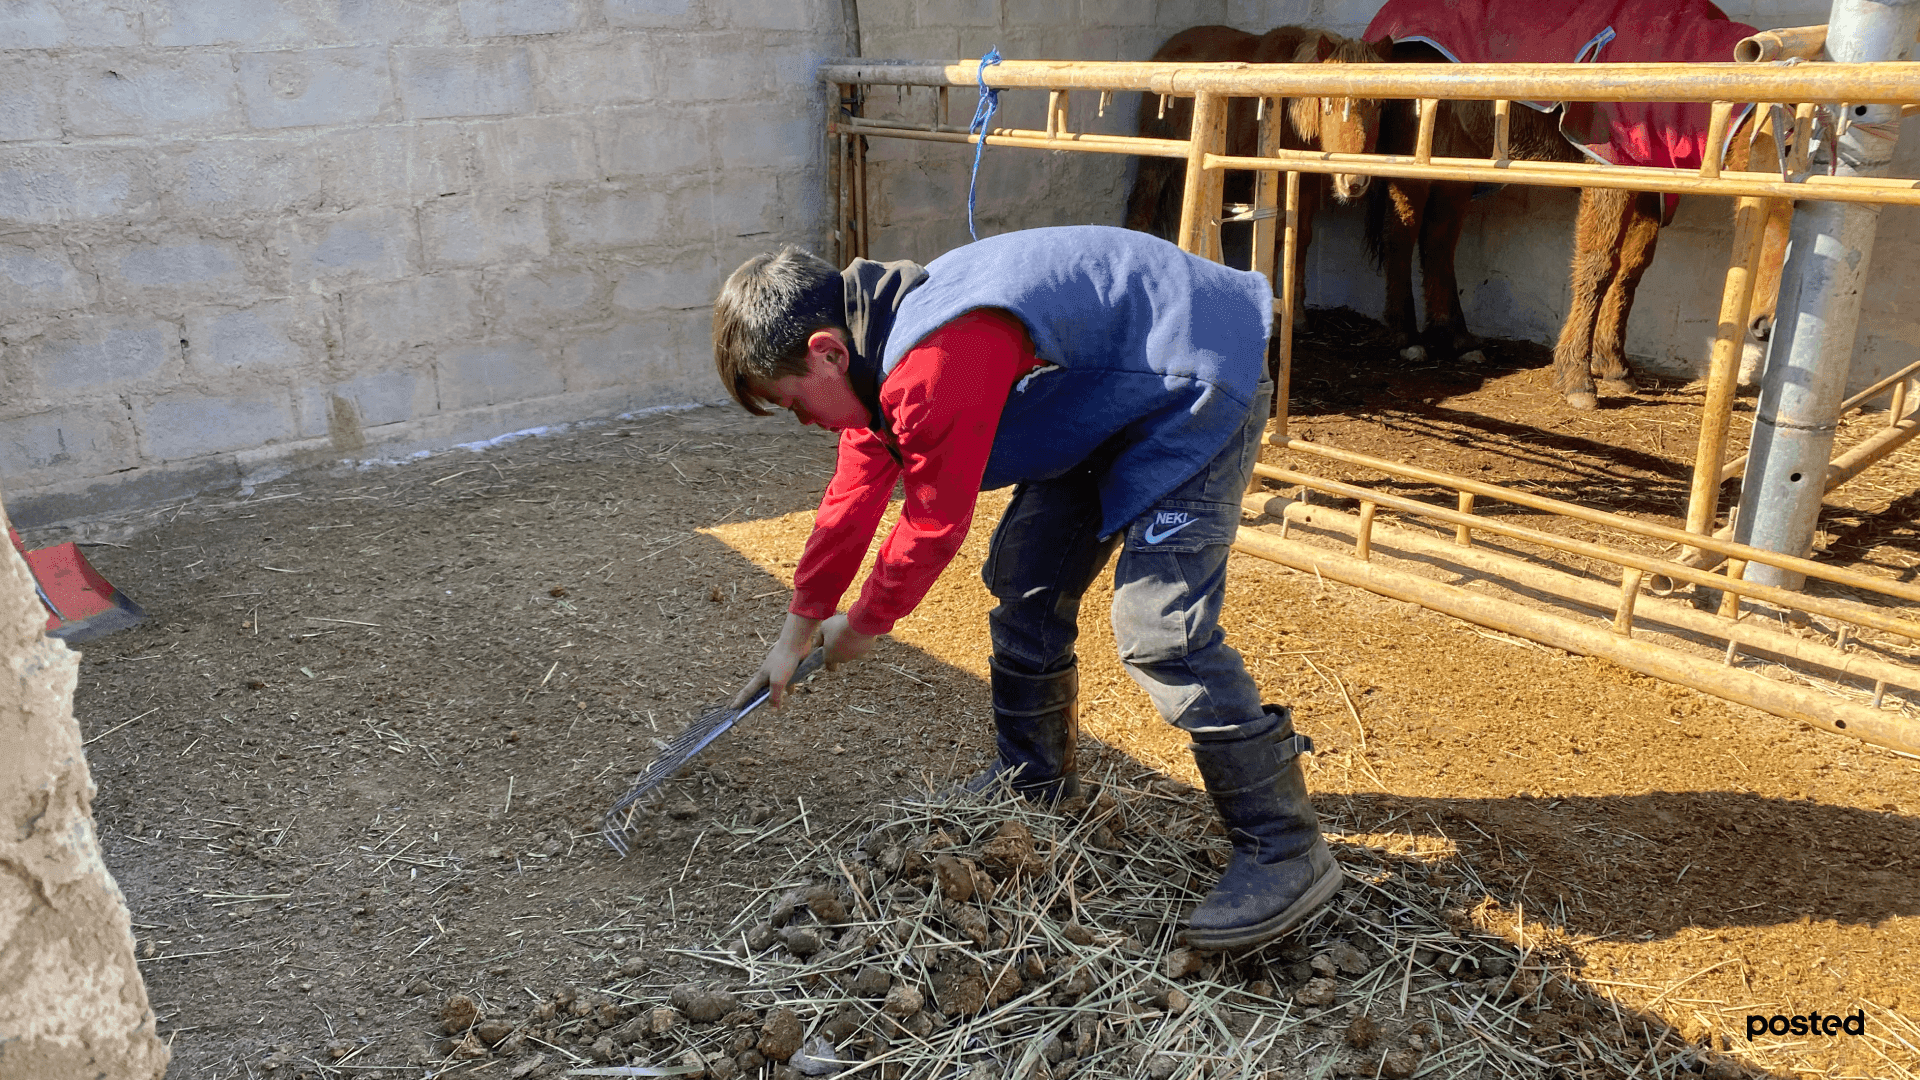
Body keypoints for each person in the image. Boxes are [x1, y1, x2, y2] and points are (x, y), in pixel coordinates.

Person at [710, 224, 1343, 949]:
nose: (804, 421)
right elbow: (853, 492)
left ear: (825, 351)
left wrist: (861, 626)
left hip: (1193, 376)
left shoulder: (932, 357)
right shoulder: (870, 348)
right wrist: (796, 630)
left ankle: (1283, 845)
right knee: (1027, 576)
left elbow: (932, 523)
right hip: (1108, 397)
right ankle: (1034, 779)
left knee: (1161, 629)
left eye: (791, 404)